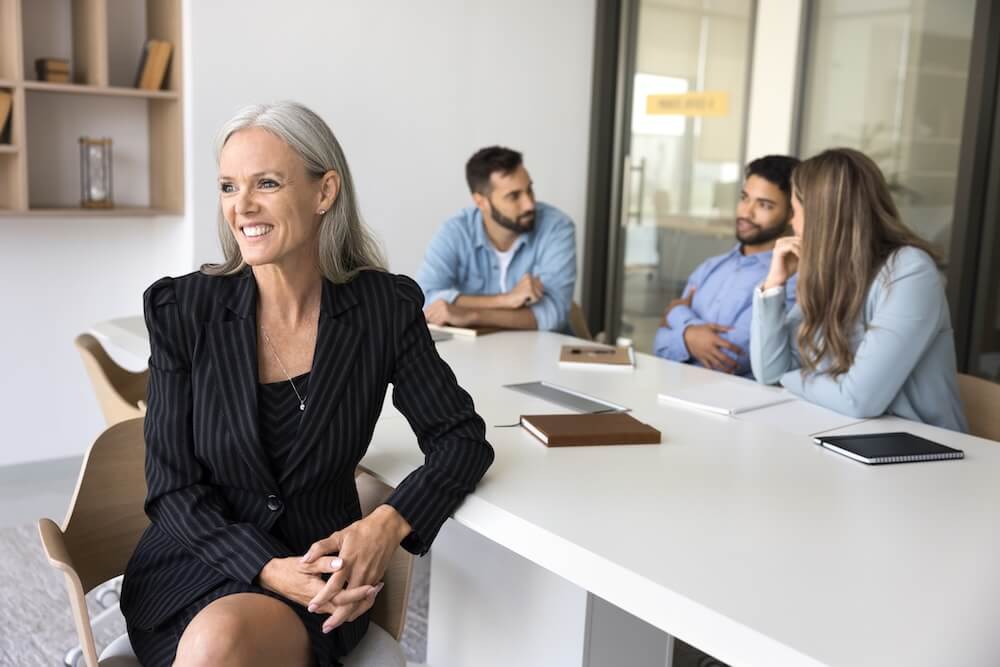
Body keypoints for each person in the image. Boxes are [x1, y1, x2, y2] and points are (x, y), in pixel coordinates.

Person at [119, 101, 495, 666]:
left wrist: (386, 524)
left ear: (325, 193)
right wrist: (266, 568)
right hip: (195, 567)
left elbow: (461, 440)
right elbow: (171, 489)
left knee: (223, 645)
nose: (241, 207)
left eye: (265, 183)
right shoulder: (184, 310)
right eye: (227, 187)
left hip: (317, 578)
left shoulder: (382, 309)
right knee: (215, 643)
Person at [750, 147, 967, 432]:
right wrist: (773, 285)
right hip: (843, 433)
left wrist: (788, 378)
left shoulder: (909, 272)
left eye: (796, 210)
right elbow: (768, 371)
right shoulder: (828, 272)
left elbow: (857, 399)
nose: (791, 222)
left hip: (919, 448)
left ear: (822, 215)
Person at [653, 155, 800, 376]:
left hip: (733, 406)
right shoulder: (709, 267)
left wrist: (677, 315)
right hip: (674, 393)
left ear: (791, 213)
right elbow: (658, 343)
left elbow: (736, 357)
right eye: (744, 198)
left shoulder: (788, 278)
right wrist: (689, 334)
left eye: (764, 205)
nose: (746, 212)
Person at [416, 146, 576, 331]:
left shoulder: (556, 227)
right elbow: (424, 297)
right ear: (481, 201)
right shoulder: (455, 231)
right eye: (513, 196)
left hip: (542, 352)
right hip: (476, 354)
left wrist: (469, 314)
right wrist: (506, 301)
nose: (529, 204)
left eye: (529, 190)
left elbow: (552, 315)